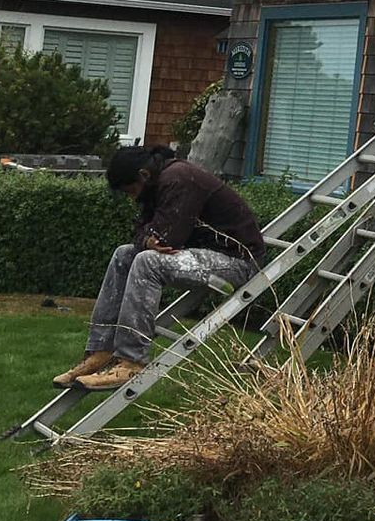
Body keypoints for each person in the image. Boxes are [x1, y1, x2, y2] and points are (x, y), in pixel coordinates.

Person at [54, 146, 267, 392]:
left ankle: (132, 361)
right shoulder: (158, 183)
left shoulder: (178, 179)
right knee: (124, 255)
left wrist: (151, 239)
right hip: (205, 254)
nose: (132, 198)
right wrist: (148, 239)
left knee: (148, 262)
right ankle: (101, 350)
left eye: (131, 191)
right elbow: (143, 232)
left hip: (237, 262)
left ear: (143, 175)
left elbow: (167, 239)